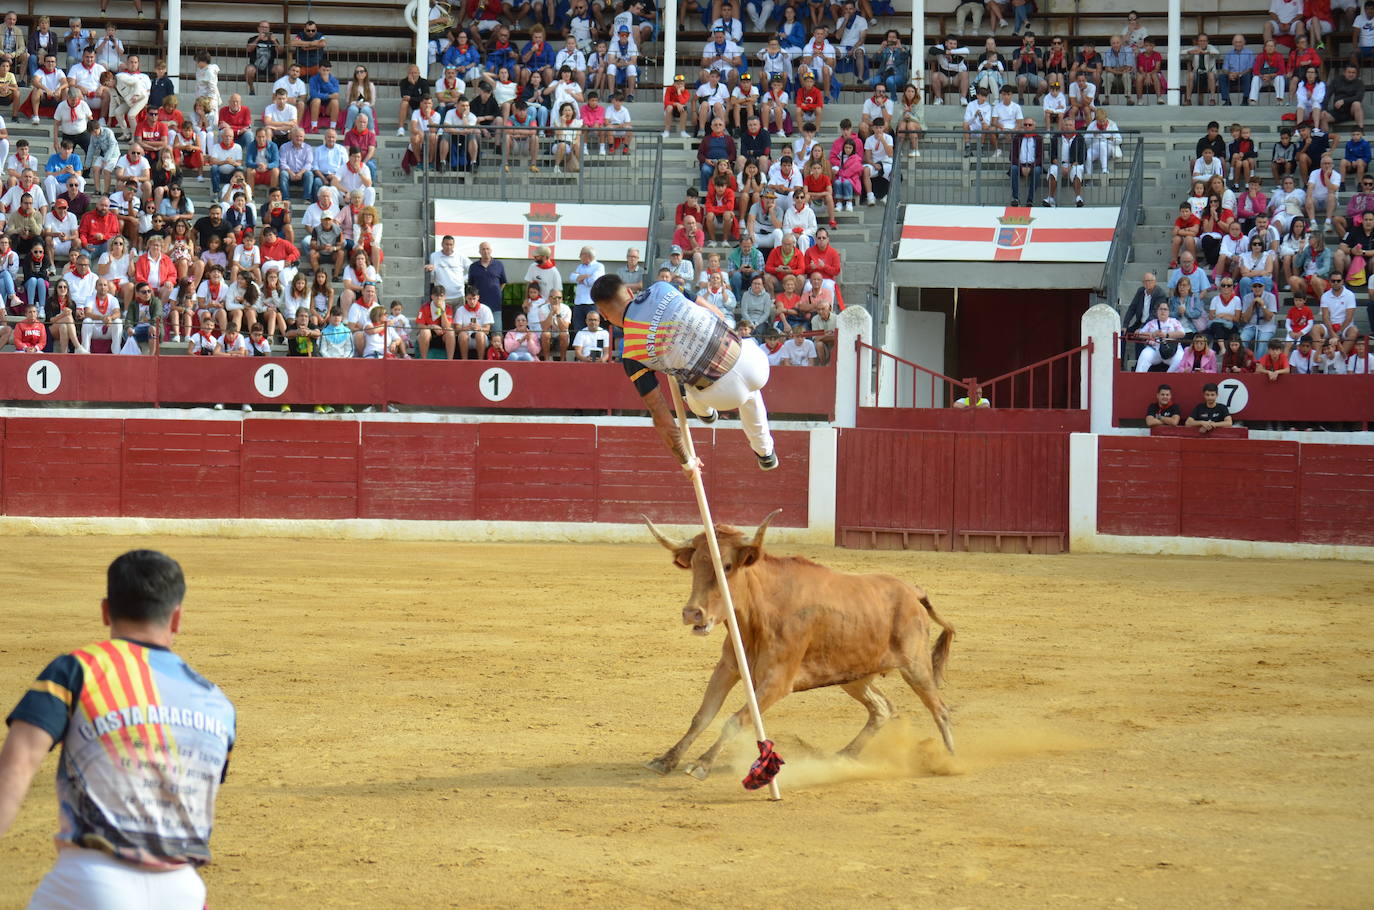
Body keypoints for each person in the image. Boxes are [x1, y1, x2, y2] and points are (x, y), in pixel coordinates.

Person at [0, 550, 235, 909]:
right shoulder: (217, 703)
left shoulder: (77, 670)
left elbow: (17, 766)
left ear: (106, 610)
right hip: (184, 889)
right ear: (176, 618)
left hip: (90, 881)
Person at [592, 274, 778, 471]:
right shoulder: (662, 287)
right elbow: (717, 313)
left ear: (603, 315)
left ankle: (706, 414)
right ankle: (766, 454)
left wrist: (687, 462)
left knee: (689, 391)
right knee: (751, 394)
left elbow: (660, 415)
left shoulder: (631, 352)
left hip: (723, 395)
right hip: (753, 361)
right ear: (629, 292)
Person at [1136, 300, 1187, 372]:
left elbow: (1182, 333)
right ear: (1157, 311)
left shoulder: (1174, 321)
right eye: (1160, 309)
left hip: (1172, 350)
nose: (1163, 311)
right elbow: (1140, 334)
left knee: (1180, 358)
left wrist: (1166, 335)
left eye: (1165, 309)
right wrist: (1153, 334)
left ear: (1169, 312)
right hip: (1154, 349)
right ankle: (1139, 380)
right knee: (1144, 355)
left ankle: (1168, 380)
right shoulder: (1151, 323)